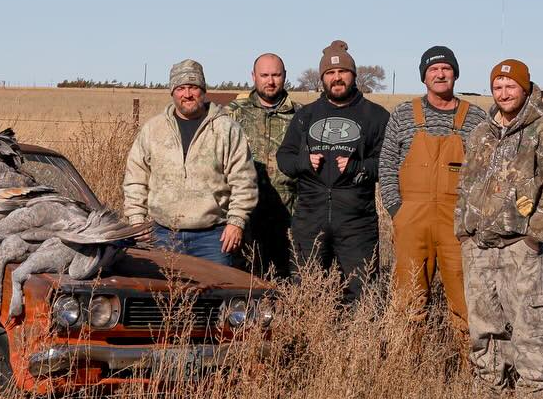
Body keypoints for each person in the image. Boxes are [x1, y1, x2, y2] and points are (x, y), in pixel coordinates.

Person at [455, 60, 543, 399]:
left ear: (525, 88)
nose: (504, 93)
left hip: (521, 248)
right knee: (484, 324)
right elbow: (466, 184)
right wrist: (463, 231)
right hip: (479, 246)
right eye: (498, 87)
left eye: (511, 86)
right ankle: (489, 388)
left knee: (530, 324)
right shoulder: (482, 133)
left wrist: (534, 236)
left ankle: (537, 394)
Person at [378, 46, 488, 347]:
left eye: (446, 69)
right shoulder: (404, 114)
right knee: (408, 300)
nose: (440, 74)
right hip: (411, 220)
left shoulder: (475, 116)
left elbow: (484, 173)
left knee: (466, 302)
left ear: (455, 73)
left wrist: (472, 219)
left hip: (457, 224)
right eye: (433, 70)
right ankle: (407, 374)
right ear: (424, 77)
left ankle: (475, 373)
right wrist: (396, 210)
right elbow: (386, 165)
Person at [276, 40, 390, 306]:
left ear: (354, 75)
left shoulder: (375, 116)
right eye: (330, 73)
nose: (336, 78)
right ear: (322, 78)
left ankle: (358, 345)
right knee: (306, 290)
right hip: (309, 218)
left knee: (362, 294)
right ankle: (309, 343)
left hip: (356, 221)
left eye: (343, 72)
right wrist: (304, 161)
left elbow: (386, 162)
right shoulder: (306, 116)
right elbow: (284, 158)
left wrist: (358, 168)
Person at [123, 59, 257, 266]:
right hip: (161, 234)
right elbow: (135, 178)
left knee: (217, 296)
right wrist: (137, 222)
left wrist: (236, 222)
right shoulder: (154, 129)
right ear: (172, 92)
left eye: (193, 87)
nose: (187, 94)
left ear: (203, 90)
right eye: (181, 88)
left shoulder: (226, 129)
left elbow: (244, 181)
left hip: (213, 238)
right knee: (160, 296)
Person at [226, 52, 300, 276]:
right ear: (253, 77)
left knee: (286, 281)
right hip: (244, 217)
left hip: (289, 217)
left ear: (285, 76)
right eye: (264, 75)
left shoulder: (302, 115)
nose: (270, 81)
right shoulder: (233, 114)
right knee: (245, 282)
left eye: (276, 75)